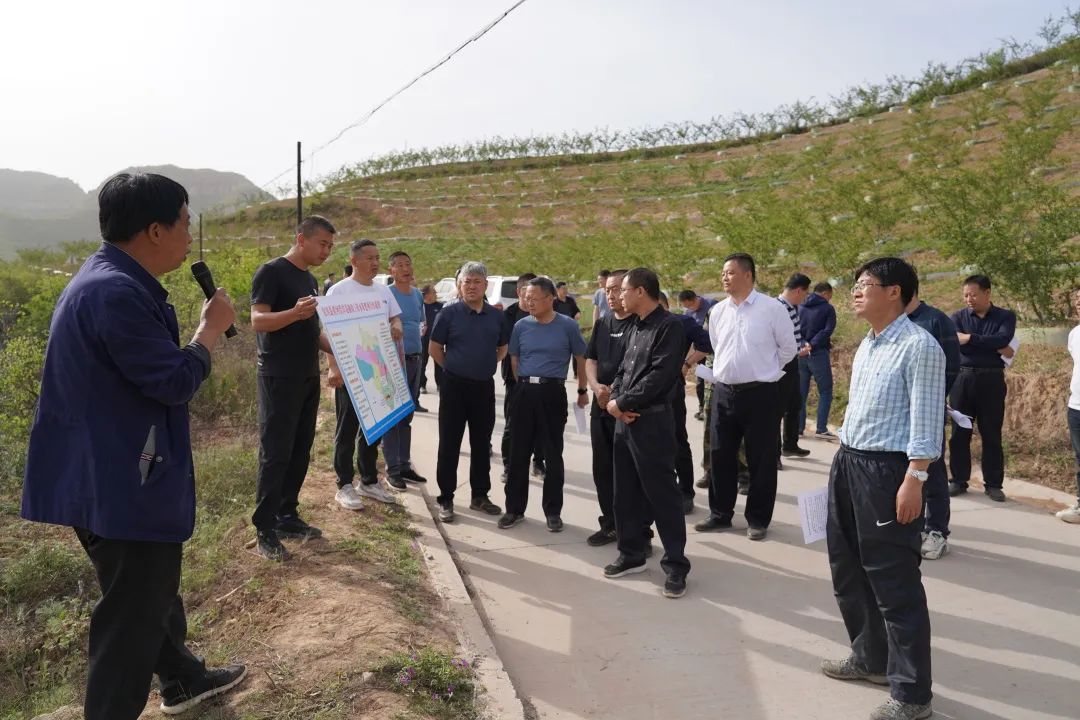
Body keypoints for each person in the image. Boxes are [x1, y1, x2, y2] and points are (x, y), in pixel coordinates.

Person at [21, 173, 246, 719]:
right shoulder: (115, 293)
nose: (189, 236)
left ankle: (182, 679)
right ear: (154, 230)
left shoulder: (107, 280)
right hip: (120, 478)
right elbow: (172, 381)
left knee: (148, 591)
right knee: (133, 612)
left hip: (103, 471)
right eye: (185, 223)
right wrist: (208, 333)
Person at [822, 257, 943, 720]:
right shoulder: (870, 343)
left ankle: (913, 695)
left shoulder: (919, 346)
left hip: (887, 472)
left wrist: (915, 478)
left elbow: (928, 421)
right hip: (849, 462)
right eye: (854, 283)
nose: (855, 291)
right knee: (848, 568)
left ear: (894, 291)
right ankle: (869, 658)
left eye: (865, 284)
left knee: (894, 582)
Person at [250, 214, 336, 561]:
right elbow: (258, 320)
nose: (326, 251)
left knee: (301, 448)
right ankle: (264, 527)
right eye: (322, 244)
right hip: (278, 375)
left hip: (306, 374)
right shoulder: (271, 272)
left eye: (330, 246)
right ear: (302, 239)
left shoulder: (310, 279)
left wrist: (343, 351)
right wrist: (293, 314)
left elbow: (311, 332)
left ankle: (287, 514)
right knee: (276, 452)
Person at [604, 268, 691, 598]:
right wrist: (615, 400)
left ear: (641, 291)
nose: (619, 296)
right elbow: (624, 370)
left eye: (624, 290)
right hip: (624, 421)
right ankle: (631, 554)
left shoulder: (670, 326)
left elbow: (660, 375)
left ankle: (676, 566)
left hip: (652, 422)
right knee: (623, 492)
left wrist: (622, 401)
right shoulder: (634, 327)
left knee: (662, 496)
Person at [696, 253, 796, 541]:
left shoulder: (771, 309)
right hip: (724, 391)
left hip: (761, 393)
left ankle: (758, 519)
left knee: (761, 458)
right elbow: (717, 346)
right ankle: (720, 514)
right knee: (720, 455)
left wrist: (765, 370)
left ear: (748, 275)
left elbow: (788, 349)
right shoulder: (718, 312)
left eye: (730, 272)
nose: (724, 278)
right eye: (723, 273)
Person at [501, 277, 588, 530]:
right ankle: (514, 509)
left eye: (534, 298)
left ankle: (553, 512)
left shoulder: (568, 326)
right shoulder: (520, 326)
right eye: (526, 298)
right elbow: (515, 360)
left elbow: (581, 358)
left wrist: (582, 390)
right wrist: (523, 386)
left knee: (552, 454)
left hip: (553, 393)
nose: (529, 302)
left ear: (550, 299)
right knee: (518, 454)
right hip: (524, 392)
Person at [325, 239, 403, 511]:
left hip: (378, 370)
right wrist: (333, 368)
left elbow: (395, 318)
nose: (375, 262)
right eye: (369, 257)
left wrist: (396, 325)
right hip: (350, 371)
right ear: (354, 260)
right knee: (346, 429)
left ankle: (368, 481)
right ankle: (344, 484)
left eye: (377, 257)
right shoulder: (338, 292)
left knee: (374, 428)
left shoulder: (383, 291)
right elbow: (329, 334)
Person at [430, 262, 508, 522]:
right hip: (454, 386)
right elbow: (435, 348)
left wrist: (483, 365)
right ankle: (446, 498)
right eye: (467, 282)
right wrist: (452, 368)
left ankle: (480, 496)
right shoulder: (448, 314)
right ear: (459, 286)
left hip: (483, 387)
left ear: (486, 285)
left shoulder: (497, 316)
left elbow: (502, 349)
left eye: (477, 281)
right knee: (449, 443)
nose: (472, 286)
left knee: (481, 444)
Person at [948, 275, 1016, 502]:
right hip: (962, 380)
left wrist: (970, 339)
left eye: (973, 294)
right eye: (966, 294)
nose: (969, 299)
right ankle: (958, 480)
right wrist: (991, 344)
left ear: (987, 293)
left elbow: (1004, 338)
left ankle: (994, 484)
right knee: (959, 433)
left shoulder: (1005, 316)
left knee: (991, 434)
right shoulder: (957, 317)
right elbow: (956, 341)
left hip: (992, 381)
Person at [906, 285, 961, 560]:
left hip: (927, 411)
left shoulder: (936, 320)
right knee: (904, 472)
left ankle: (937, 529)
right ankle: (911, 526)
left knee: (932, 472)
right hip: (899, 413)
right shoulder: (893, 321)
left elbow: (951, 367)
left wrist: (931, 398)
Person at [585, 270, 634, 545]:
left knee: (628, 471)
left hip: (627, 408)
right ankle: (610, 524)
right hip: (600, 403)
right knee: (602, 468)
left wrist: (615, 393)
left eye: (617, 289)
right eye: (608, 290)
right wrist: (595, 387)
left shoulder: (640, 326)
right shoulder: (602, 324)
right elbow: (590, 359)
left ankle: (637, 528)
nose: (612, 295)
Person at [661, 291, 713, 513]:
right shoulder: (637, 323)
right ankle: (662, 489)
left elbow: (706, 344)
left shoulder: (682, 322)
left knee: (677, 440)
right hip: (642, 394)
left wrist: (686, 363)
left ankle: (685, 492)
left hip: (672, 391)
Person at [381, 251, 430, 486]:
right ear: (391, 270)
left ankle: (404, 464)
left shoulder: (417, 295)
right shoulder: (385, 294)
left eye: (408, 264)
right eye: (399, 265)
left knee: (407, 415)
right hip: (393, 362)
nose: (405, 268)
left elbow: (420, 322)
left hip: (415, 359)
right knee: (393, 416)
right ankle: (392, 469)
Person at [500, 272, 544, 480]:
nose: (531, 296)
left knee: (539, 424)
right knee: (512, 424)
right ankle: (508, 466)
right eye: (528, 291)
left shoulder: (544, 314)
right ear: (519, 291)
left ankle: (538, 462)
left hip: (541, 380)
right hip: (514, 379)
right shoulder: (508, 316)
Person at [777, 274, 812, 459]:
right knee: (777, 409)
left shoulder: (792, 307)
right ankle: (773, 454)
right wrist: (797, 351)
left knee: (794, 404)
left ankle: (790, 445)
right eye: (805, 294)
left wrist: (802, 344)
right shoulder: (779, 308)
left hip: (793, 362)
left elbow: (793, 335)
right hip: (781, 364)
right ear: (798, 290)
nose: (805, 298)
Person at [798, 281, 837, 437]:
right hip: (818, 353)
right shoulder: (828, 308)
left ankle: (798, 428)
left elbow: (793, 328)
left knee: (801, 392)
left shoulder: (800, 306)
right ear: (826, 293)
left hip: (800, 354)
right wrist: (812, 345)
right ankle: (821, 428)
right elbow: (827, 330)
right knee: (826, 390)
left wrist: (803, 344)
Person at [679, 289, 717, 419]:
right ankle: (702, 408)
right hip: (699, 351)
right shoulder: (687, 313)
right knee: (701, 381)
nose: (689, 309)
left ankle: (714, 407)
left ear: (695, 299)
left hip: (714, 351)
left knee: (714, 381)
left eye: (690, 305)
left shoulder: (711, 304)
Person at [1059, 287, 1080, 524]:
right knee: (1079, 458)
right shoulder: (1074, 334)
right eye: (1076, 300)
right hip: (1076, 406)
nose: (1078, 304)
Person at [420, 284, 444, 395]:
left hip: (437, 340)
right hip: (423, 340)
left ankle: (440, 384)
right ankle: (422, 385)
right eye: (434, 292)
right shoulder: (420, 306)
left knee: (439, 363)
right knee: (422, 363)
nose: (436, 294)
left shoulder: (440, 306)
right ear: (428, 295)